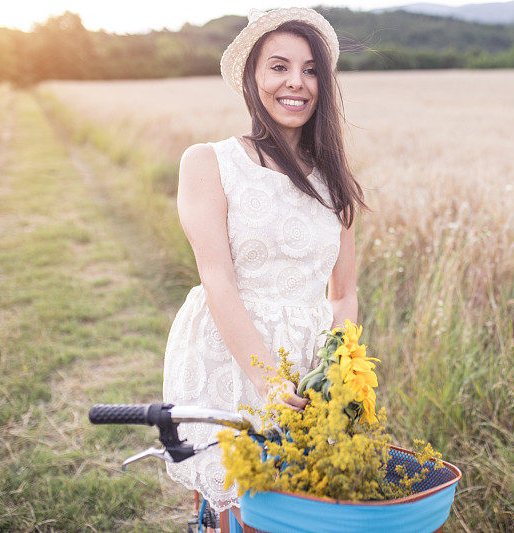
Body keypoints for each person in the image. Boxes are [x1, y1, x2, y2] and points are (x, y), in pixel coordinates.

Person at [161, 7, 369, 529]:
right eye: (278, 67)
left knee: (302, 512)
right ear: (253, 79)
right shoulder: (209, 162)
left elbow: (342, 293)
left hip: (309, 361)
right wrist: (269, 383)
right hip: (232, 354)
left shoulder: (334, 181)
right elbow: (218, 278)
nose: (296, 83)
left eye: (311, 69)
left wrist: (340, 372)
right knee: (237, 513)